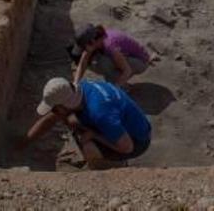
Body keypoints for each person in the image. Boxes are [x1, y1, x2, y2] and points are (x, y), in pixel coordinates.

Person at [24, 77, 152, 169]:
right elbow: (50, 119)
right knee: (72, 121)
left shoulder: (99, 113)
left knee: (88, 145)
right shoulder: (81, 88)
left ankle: (105, 170)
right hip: (123, 124)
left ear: (66, 104)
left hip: (137, 141)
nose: (53, 111)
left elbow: (127, 147)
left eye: (55, 108)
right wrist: (24, 142)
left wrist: (93, 135)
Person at [70, 24, 151, 87]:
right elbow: (83, 62)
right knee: (96, 62)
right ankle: (117, 82)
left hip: (140, 62)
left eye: (84, 47)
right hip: (124, 56)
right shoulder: (96, 40)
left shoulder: (110, 46)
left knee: (103, 63)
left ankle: (121, 86)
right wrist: (75, 84)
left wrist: (113, 90)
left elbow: (127, 71)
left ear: (92, 41)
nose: (83, 50)